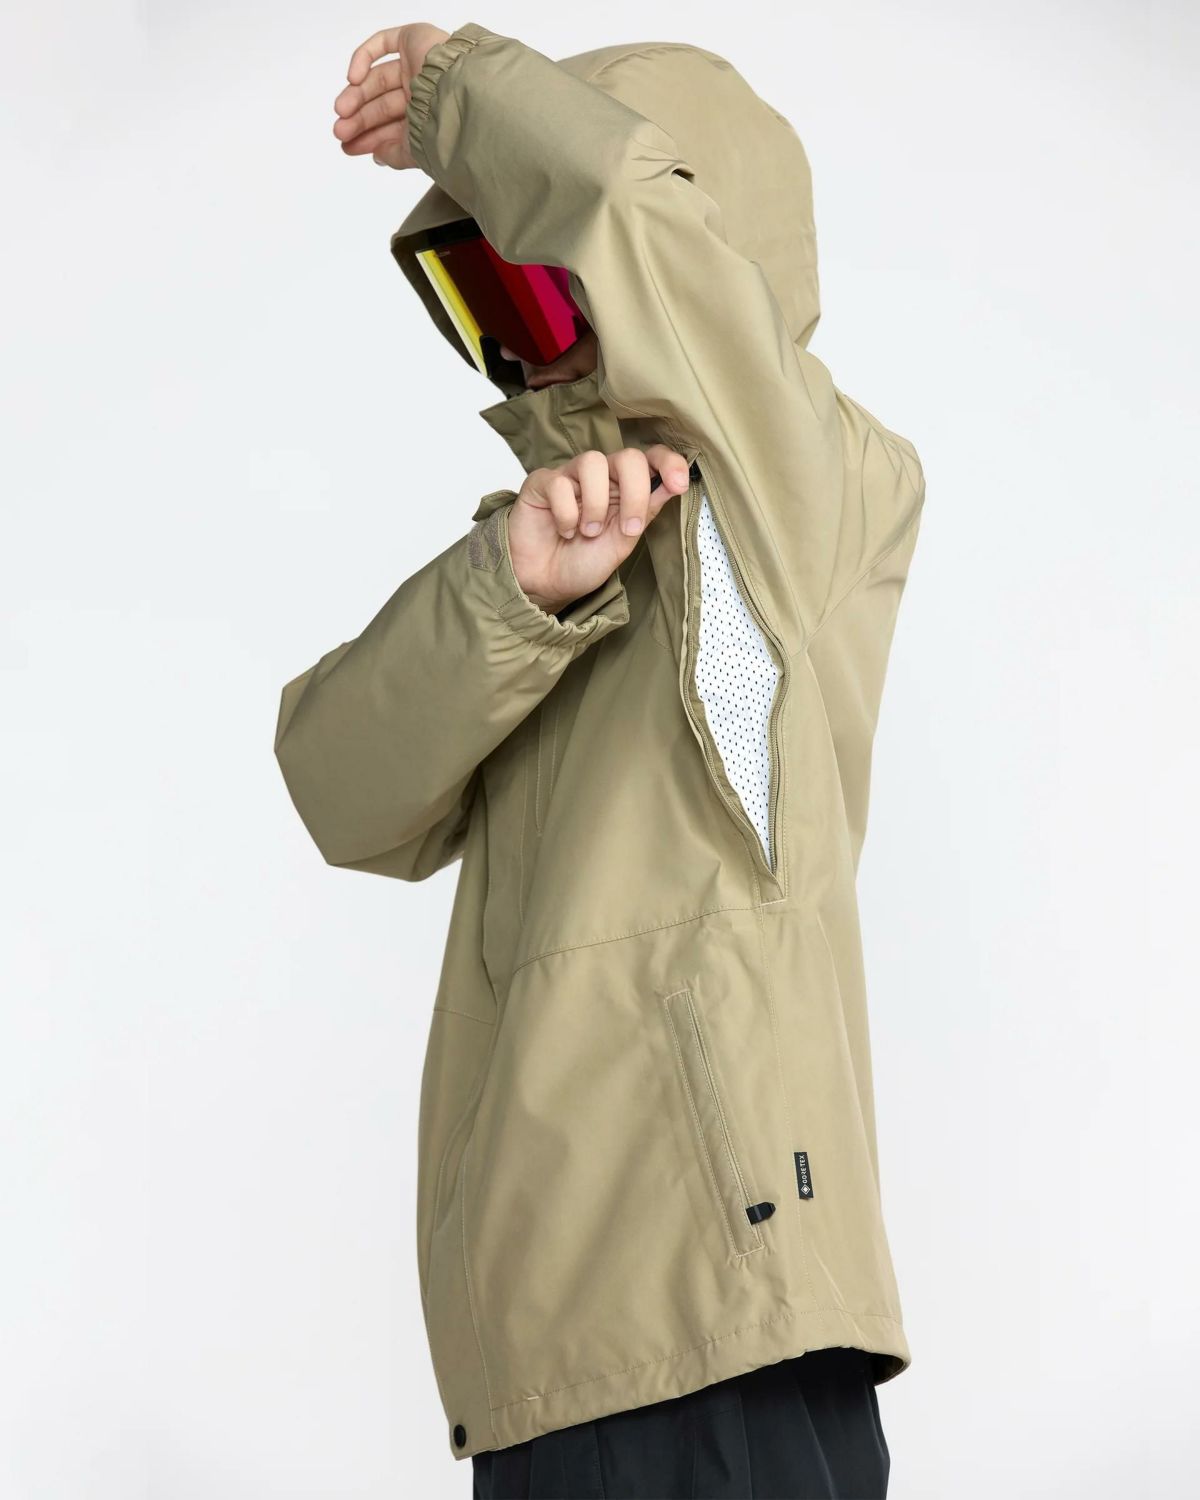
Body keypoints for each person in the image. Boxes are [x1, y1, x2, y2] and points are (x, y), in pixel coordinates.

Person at [274, 19, 925, 1499]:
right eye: (491, 289)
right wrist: (513, 592)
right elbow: (337, 789)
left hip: (726, 1299)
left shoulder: (809, 500)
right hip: (547, 1338)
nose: (530, 331)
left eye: (546, 272)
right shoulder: (553, 554)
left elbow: (635, 213)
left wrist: (459, 92)